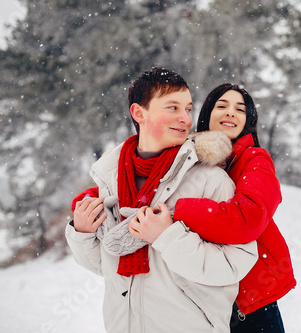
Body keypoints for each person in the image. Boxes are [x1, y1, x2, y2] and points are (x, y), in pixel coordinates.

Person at [65, 67, 258, 333]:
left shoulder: (210, 181)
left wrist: (167, 237)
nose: (185, 119)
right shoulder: (111, 180)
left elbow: (233, 265)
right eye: (173, 107)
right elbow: (110, 266)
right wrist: (83, 234)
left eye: (188, 109)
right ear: (139, 113)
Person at [143, 83, 296, 332]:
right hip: (196, 294)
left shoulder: (255, 159)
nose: (230, 113)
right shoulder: (184, 157)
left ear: (247, 120)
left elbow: (249, 219)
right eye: (221, 106)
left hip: (248, 301)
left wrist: (176, 212)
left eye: (239, 109)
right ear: (207, 114)